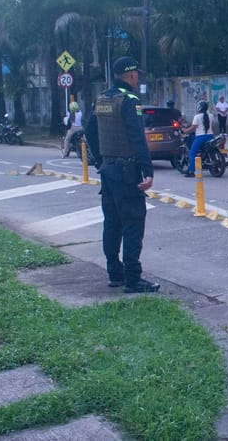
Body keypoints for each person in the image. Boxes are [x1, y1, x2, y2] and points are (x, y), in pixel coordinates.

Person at [84, 56, 159, 294]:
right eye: (136, 73)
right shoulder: (129, 101)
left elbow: (89, 131)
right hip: (127, 172)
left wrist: (98, 160)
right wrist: (147, 170)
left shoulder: (103, 99)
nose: (137, 77)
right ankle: (133, 278)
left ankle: (114, 273)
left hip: (108, 171)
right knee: (133, 222)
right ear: (131, 75)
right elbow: (138, 138)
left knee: (112, 222)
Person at [182, 100, 215, 177]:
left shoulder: (197, 117)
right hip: (211, 136)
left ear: (199, 108)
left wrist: (185, 131)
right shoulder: (211, 116)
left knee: (192, 154)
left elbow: (193, 128)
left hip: (201, 137)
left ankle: (191, 171)